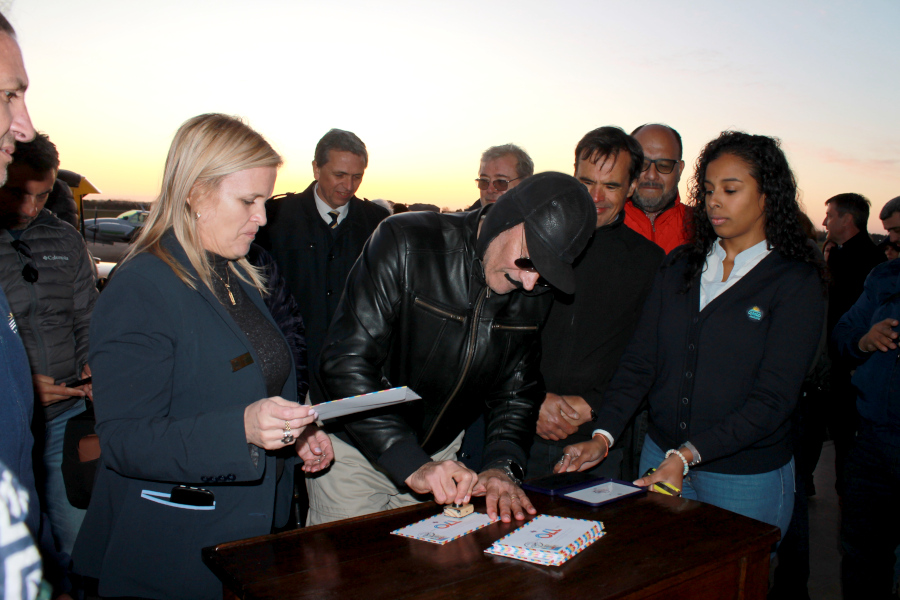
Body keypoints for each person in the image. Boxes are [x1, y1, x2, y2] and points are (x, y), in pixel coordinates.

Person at [72, 114, 334, 600]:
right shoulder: (142, 287)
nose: (262, 216)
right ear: (194, 192)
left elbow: (252, 385)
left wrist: (292, 437)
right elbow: (126, 439)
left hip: (246, 534)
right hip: (173, 550)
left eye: (265, 200)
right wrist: (243, 429)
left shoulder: (236, 275)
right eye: (248, 201)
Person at [556, 131, 826, 541]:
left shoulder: (795, 281)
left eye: (730, 190)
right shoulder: (681, 264)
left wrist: (687, 456)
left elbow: (774, 399)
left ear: (768, 195)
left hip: (743, 476)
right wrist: (602, 436)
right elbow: (641, 361)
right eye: (709, 189)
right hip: (660, 456)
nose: (713, 200)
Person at [309, 172, 596, 525]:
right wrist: (409, 461)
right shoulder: (407, 240)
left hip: (440, 454)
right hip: (351, 446)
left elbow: (517, 391)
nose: (529, 281)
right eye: (527, 259)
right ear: (506, 217)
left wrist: (501, 466)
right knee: (349, 571)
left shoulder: (535, 291)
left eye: (545, 272)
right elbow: (346, 362)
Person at [527, 127, 664, 480]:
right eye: (587, 182)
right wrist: (533, 398)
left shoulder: (650, 262)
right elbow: (500, 334)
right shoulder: (533, 242)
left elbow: (649, 355)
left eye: (612, 186)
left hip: (598, 441)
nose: (596, 197)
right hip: (518, 428)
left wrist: (594, 405)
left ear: (632, 187)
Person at [0, 133, 96, 556]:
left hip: (64, 418)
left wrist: (92, 363)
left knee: (77, 542)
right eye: (19, 193)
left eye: (43, 195)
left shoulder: (67, 239)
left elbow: (86, 316)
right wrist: (18, 385)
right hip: (7, 423)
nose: (30, 208)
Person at [256, 129, 388, 401]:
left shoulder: (378, 224)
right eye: (339, 175)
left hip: (353, 372)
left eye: (357, 177)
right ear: (316, 168)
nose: (348, 186)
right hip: (291, 368)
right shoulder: (273, 217)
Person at [834, 197, 900, 598]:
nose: (891, 241)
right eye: (891, 232)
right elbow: (843, 335)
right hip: (873, 444)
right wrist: (863, 340)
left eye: (895, 232)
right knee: (861, 554)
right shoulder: (883, 278)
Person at [819, 192, 885, 495]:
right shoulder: (854, 256)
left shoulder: (863, 264)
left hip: (851, 368)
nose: (824, 221)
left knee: (849, 446)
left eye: (830, 215)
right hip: (848, 364)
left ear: (847, 219)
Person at [624, 124, 689, 253]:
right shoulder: (600, 223)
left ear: (680, 169)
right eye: (642, 164)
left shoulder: (702, 228)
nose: (651, 175)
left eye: (664, 165)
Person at [467, 144, 534, 210]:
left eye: (500, 182)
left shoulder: (542, 219)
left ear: (525, 185)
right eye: (484, 181)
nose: (490, 190)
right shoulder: (466, 220)